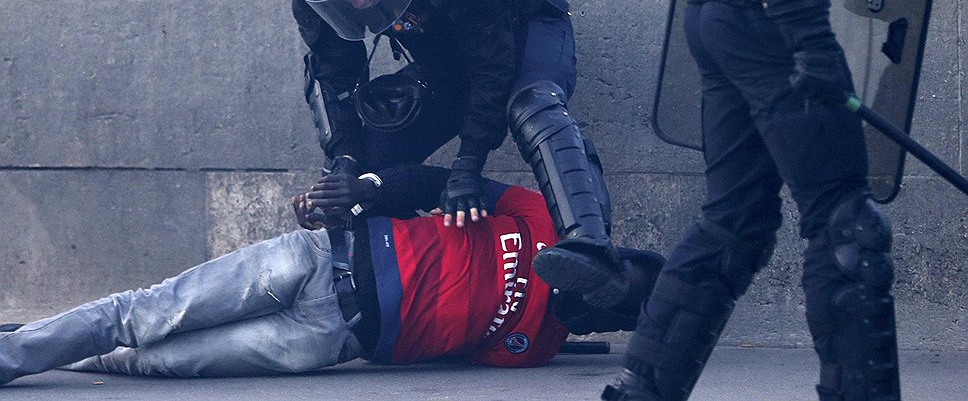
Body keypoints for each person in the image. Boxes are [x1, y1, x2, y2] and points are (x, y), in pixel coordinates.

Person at [603, 0, 900, 400]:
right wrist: (811, 39)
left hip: (720, 7)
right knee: (845, 224)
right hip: (768, 18)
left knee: (734, 222)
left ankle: (642, 390)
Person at [0, 163, 664, 385]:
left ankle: (41, 348)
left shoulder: (534, 348)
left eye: (620, 302)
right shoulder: (533, 215)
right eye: (623, 277)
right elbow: (435, 183)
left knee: (155, 363)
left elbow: (442, 350)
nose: (611, 292)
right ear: (614, 258)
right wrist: (368, 186)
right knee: (141, 315)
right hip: (323, 260)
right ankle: (13, 354)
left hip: (326, 343)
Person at [287, 0, 627, 308]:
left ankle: (591, 250)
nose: (359, 0)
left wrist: (469, 163)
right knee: (364, 169)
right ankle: (388, 289)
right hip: (444, 53)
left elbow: (492, 68)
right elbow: (332, 80)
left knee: (532, 105)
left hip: (521, 27)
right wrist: (344, 165)